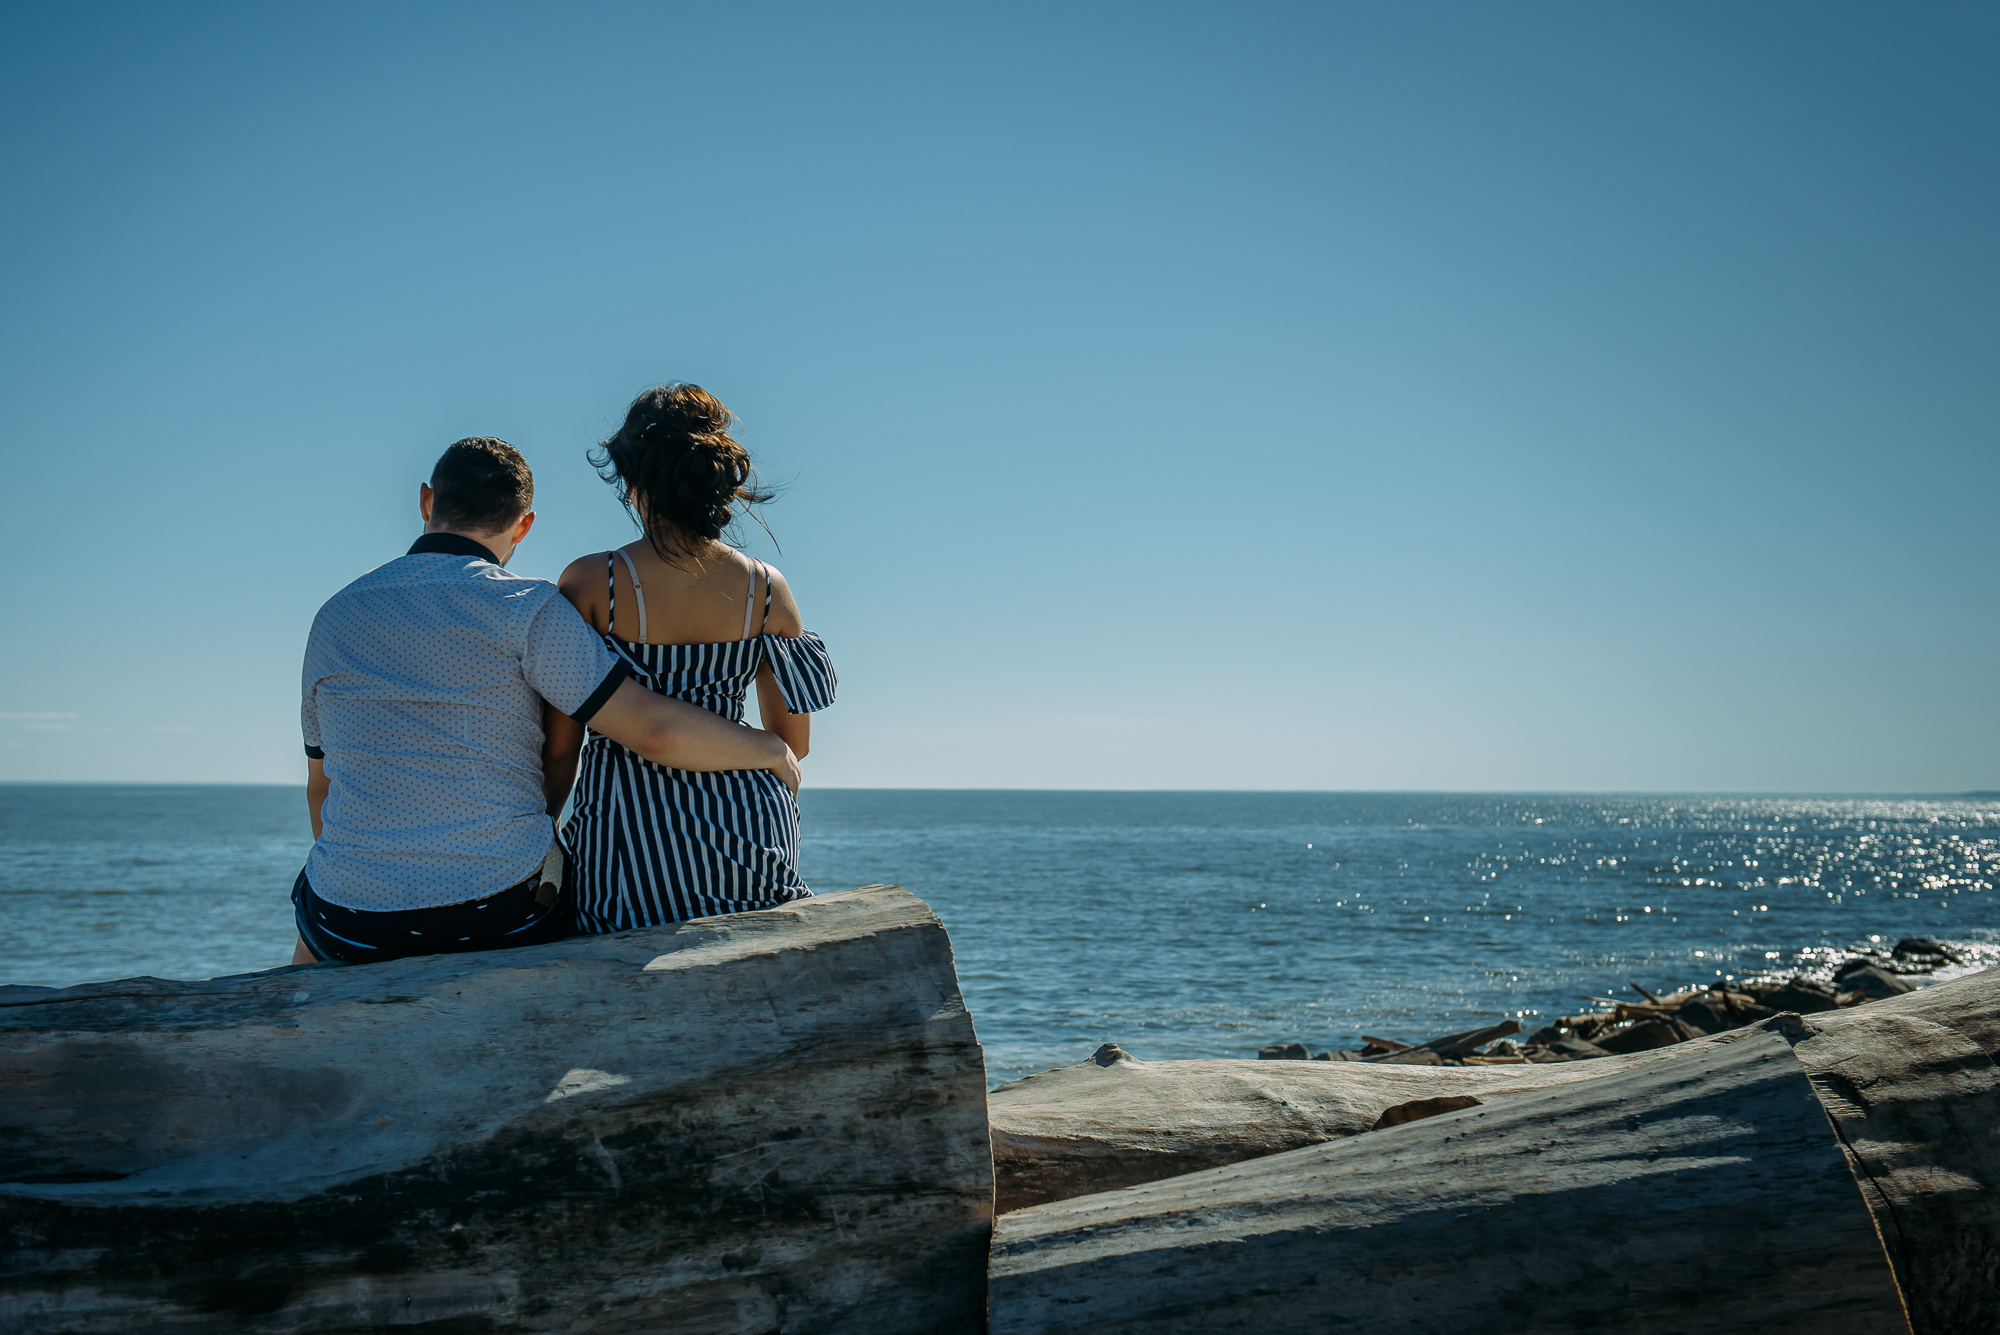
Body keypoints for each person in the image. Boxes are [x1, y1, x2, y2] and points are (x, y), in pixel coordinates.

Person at [293, 436, 799, 966]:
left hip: (348, 922)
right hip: (496, 914)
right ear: (523, 525)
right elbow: (653, 731)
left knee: (307, 953)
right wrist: (767, 749)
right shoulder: (526, 608)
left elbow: (320, 786)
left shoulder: (335, 615)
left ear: (426, 501)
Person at [547, 384, 836, 931]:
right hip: (751, 835)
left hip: (627, 836)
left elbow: (562, 748)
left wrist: (539, 841)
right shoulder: (768, 589)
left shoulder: (591, 582)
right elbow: (792, 745)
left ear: (634, 481)